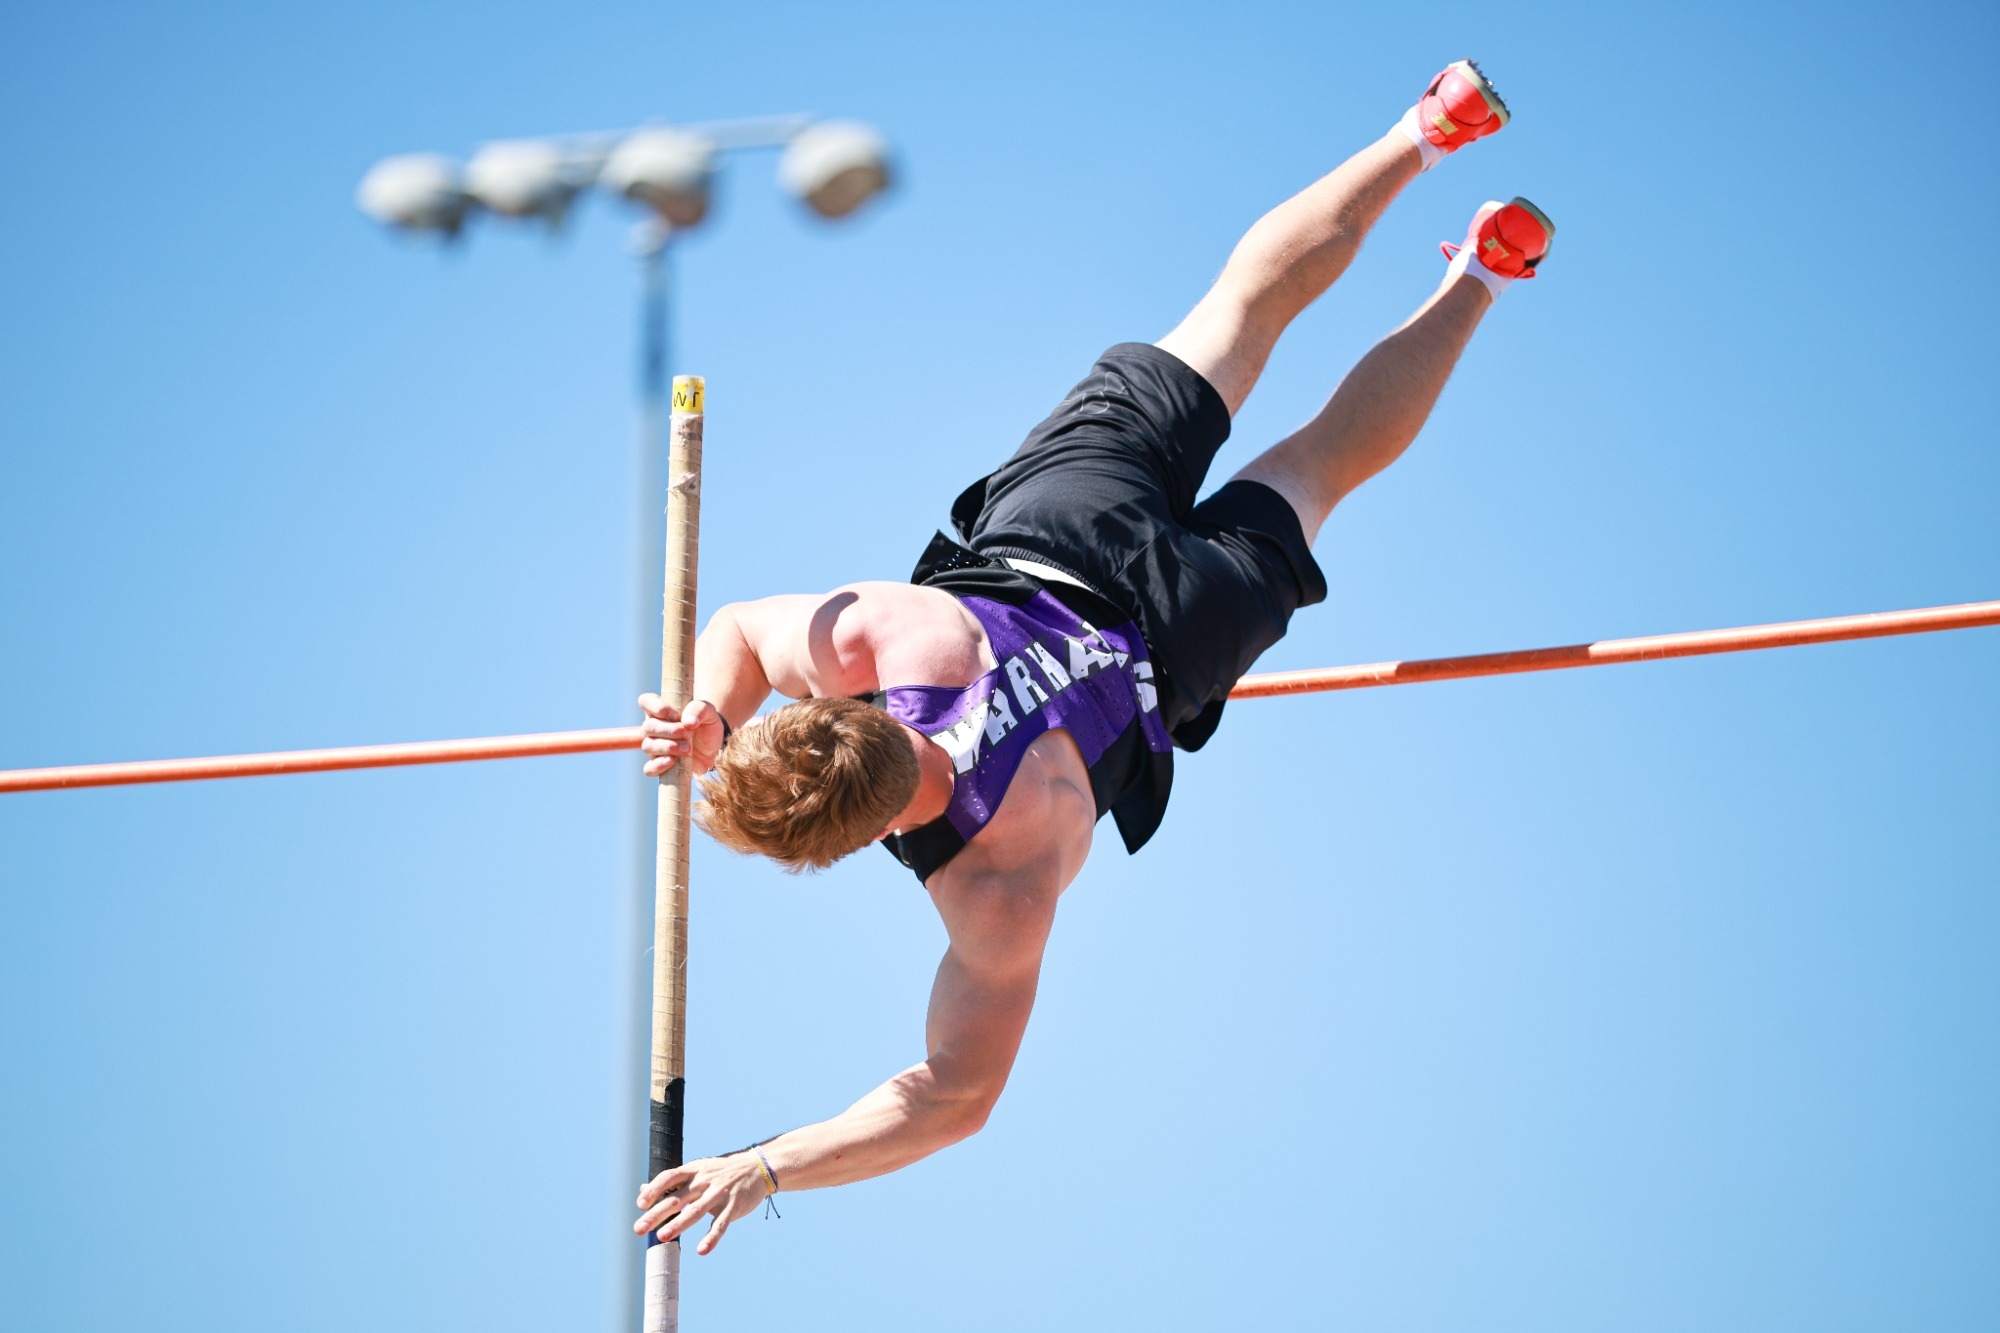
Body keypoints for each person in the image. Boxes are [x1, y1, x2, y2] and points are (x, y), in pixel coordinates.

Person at [633, 59, 1552, 1255]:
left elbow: (950, 1097)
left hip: (1180, 638)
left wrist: (766, 1168)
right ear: (831, 710)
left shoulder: (996, 889)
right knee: (1236, 317)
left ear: (856, 839)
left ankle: (1484, 274)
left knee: (1321, 465)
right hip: (1067, 529)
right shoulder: (884, 635)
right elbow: (747, 632)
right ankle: (1428, 130)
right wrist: (712, 711)